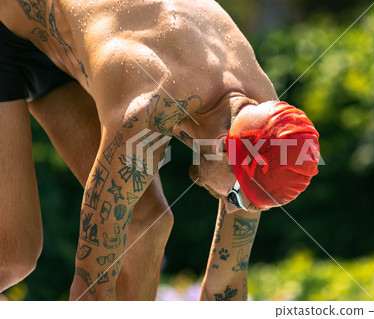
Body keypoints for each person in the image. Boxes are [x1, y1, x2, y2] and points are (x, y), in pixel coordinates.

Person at [0, 0, 320, 300]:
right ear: (223, 148)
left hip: (67, 48)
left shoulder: (265, 119)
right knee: (13, 255)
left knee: (147, 224)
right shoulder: (150, 111)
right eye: (234, 197)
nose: (234, 207)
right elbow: (91, 288)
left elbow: (227, 284)